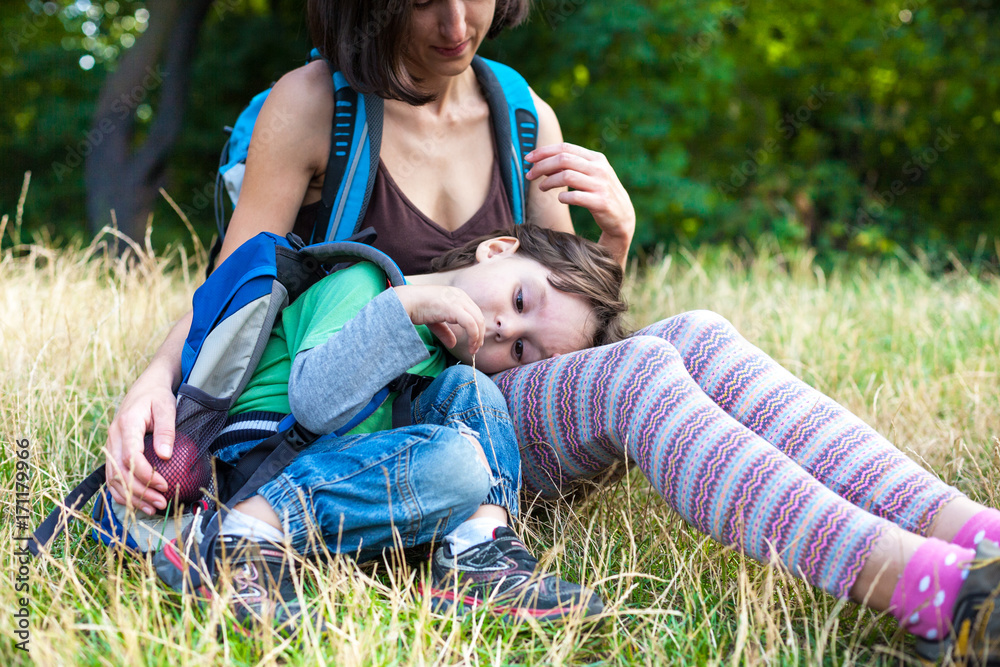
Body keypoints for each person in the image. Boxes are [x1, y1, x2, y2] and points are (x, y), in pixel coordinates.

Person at [105, 0, 1000, 658]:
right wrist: (157, 383)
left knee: (699, 332)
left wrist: (616, 247)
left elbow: (572, 334)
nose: (458, 22)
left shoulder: (518, 111)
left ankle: (972, 531)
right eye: (422, 0)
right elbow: (235, 283)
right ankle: (925, 590)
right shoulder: (317, 107)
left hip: (508, 419)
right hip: (389, 425)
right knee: (647, 372)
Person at [157, 223, 626, 632]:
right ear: (497, 249)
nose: (505, 328)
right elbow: (315, 403)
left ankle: (478, 554)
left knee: (472, 388)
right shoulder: (365, 285)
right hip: (259, 467)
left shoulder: (448, 369)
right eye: (521, 300)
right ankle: (235, 540)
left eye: (522, 350)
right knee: (459, 465)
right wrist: (402, 307)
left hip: (337, 484)